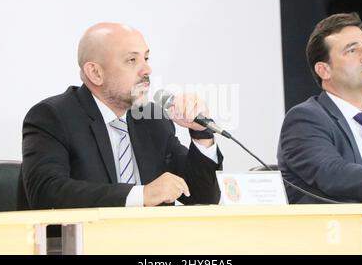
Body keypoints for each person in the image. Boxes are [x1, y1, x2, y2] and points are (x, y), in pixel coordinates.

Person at [22, 22, 223, 209]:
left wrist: (201, 133)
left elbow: (202, 198)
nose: (147, 69)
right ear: (95, 73)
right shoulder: (53, 117)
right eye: (131, 60)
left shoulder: (152, 119)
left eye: (146, 58)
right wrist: (141, 195)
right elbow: (46, 193)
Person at [277, 12, 362, 204]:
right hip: (333, 232)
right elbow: (332, 174)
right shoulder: (305, 119)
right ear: (324, 70)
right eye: (352, 50)